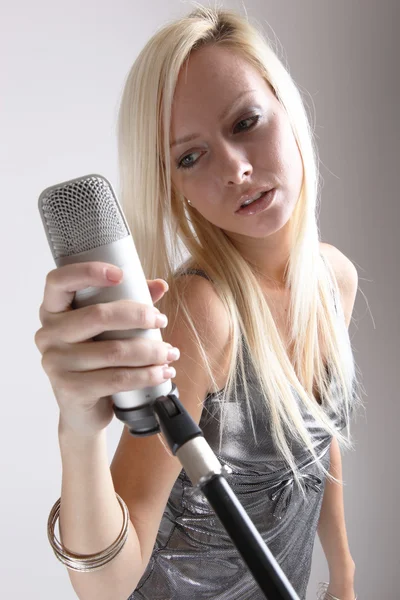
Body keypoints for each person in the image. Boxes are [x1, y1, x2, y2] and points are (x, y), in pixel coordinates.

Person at [35, 6, 362, 600]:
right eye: (191, 156)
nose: (235, 169)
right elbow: (107, 586)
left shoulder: (335, 278)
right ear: (173, 186)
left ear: (285, 108)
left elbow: (319, 439)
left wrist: (342, 571)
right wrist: (78, 431)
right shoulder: (200, 314)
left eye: (245, 123)